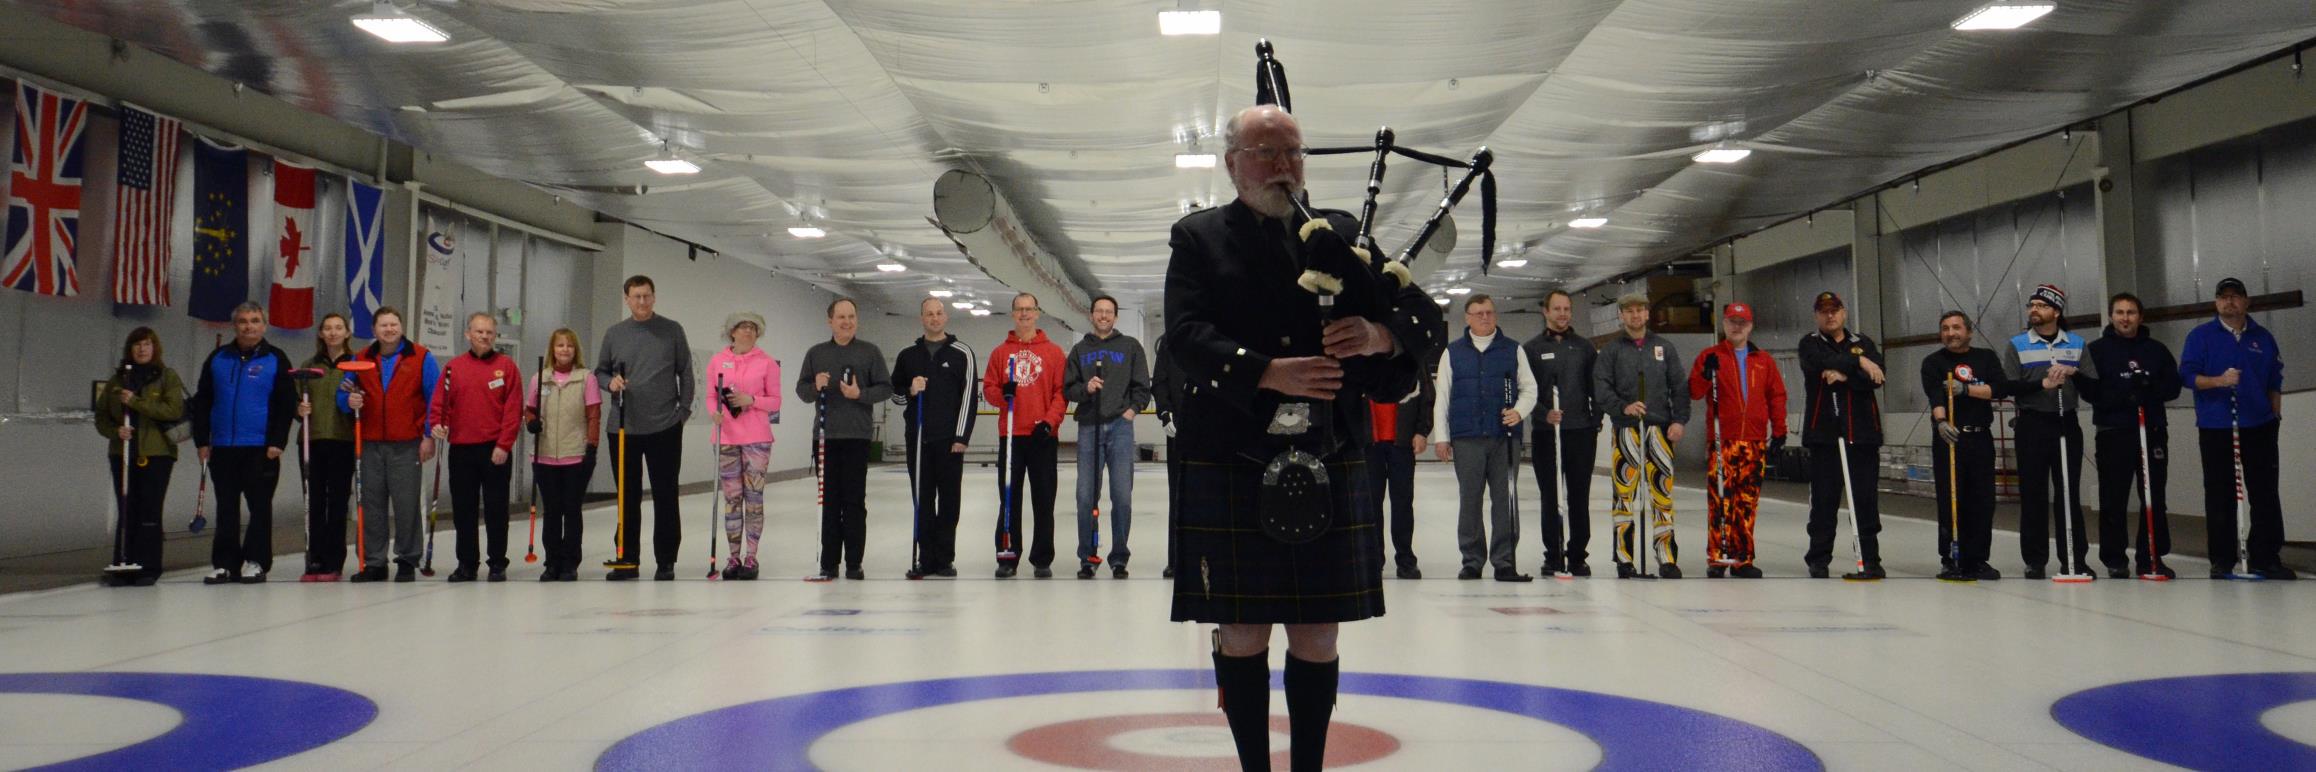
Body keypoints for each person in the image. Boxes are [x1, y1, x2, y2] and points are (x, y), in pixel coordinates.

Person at [1167, 104, 1430, 772]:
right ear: (1232, 164)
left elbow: (1424, 320)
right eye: (1265, 152)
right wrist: (1269, 373)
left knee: (1318, 628)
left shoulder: (1343, 235)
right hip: (1233, 452)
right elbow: (1185, 338)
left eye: (1292, 153)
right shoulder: (1198, 238)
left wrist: (1380, 334)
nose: (1282, 167)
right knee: (1243, 628)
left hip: (1330, 450)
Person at [1921, 311, 2054, 581]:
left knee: (1982, 501)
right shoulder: (1933, 362)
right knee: (1951, 499)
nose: (1951, 333)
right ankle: (1951, 558)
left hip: (1979, 438)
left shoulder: (1985, 358)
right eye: (1945, 328)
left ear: (1969, 331)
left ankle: (1978, 559)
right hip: (1949, 438)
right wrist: (1941, 423)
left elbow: (2000, 389)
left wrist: (1967, 390)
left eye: (1956, 327)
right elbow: (1935, 395)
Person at [2180, 277, 2294, 580]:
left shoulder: (2263, 337)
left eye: (2235, 296)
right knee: (2220, 493)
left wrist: (2275, 416)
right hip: (2217, 425)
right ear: (2216, 302)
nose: (2229, 301)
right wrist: (2218, 381)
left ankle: (2266, 556)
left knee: (2265, 493)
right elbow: (2188, 376)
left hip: (2259, 425)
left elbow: (2275, 379)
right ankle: (2222, 558)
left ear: (2246, 301)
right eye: (2223, 297)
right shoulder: (2201, 336)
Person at [1430, 294, 1538, 582]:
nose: (1484, 317)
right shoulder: (1452, 353)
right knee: (1470, 500)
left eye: (1489, 312)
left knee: (1505, 501)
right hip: (1467, 439)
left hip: (1505, 438)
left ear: (1496, 316)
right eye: (1478, 313)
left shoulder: (1513, 350)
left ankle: (1504, 561)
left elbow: (1529, 388)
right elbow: (1442, 397)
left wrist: (1518, 411)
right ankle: (1472, 561)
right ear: (1467, 318)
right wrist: (1442, 437)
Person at [189, 302, 297, 584]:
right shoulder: (218, 359)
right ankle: (225, 563)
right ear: (234, 326)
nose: (249, 326)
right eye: (243, 321)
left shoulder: (276, 359)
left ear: (264, 325)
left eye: (255, 320)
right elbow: (202, 402)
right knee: (226, 507)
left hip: (261, 448)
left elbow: (286, 404)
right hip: (223, 447)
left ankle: (256, 560)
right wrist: (202, 440)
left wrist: (278, 441)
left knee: (260, 507)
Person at [595, 275, 695, 581]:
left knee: (666, 494)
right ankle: (627, 558)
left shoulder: (672, 330)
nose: (642, 302)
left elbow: (686, 372)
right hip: (624, 427)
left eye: (647, 296)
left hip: (665, 426)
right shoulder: (615, 334)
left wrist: (683, 411)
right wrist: (609, 383)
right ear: (626, 298)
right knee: (627, 495)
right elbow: (599, 371)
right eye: (636, 296)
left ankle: (666, 560)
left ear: (654, 297)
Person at [2083, 293, 2182, 579]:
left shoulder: (2156, 350)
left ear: (2140, 316)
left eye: (2131, 312)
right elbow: (2089, 389)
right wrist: (2123, 396)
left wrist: (2148, 389)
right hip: (2114, 431)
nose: (2125, 318)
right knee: (2113, 496)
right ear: (2111, 316)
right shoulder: (2097, 350)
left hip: (2151, 430)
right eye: (2119, 312)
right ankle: (2115, 558)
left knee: (2154, 495)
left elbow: (2173, 386)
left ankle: (2151, 555)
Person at [340, 306, 440, 583]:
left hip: (407, 443)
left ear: (401, 327)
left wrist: (429, 435)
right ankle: (373, 562)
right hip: (370, 444)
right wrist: (348, 402)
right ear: (374, 330)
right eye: (383, 325)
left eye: (394, 324)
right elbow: (343, 392)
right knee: (370, 504)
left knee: (407, 504)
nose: (389, 330)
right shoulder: (360, 359)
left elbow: (435, 398)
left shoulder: (421, 357)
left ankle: (407, 559)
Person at [2001, 284, 2095, 579]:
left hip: (2065, 421)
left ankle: (2074, 558)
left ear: (2056, 311)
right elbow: (2008, 386)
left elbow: (2094, 387)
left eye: (2041, 305)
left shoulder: (2077, 344)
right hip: (2032, 424)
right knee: (2033, 494)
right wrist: (2041, 384)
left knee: (2068, 492)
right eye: (2031, 305)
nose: (2034, 310)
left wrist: (2074, 373)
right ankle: (2035, 559)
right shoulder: (2017, 344)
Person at [1687, 303, 1787, 578]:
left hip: (1754, 440)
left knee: (1746, 500)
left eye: (1742, 322)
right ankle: (1719, 556)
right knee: (1721, 499)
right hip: (1723, 440)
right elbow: (1695, 392)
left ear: (1751, 325)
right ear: (1724, 324)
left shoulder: (1763, 360)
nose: (1737, 326)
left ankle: (1743, 557)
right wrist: (1705, 375)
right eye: (1732, 321)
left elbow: (1776, 395)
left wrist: (1779, 430)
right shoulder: (1711, 355)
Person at [797, 297, 892, 581]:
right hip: (826, 437)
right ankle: (828, 562)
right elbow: (802, 391)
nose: (847, 322)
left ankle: (854, 562)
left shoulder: (869, 352)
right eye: (841, 317)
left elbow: (886, 388)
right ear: (830, 321)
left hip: (856, 437)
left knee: (853, 500)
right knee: (828, 500)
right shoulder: (816, 353)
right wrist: (815, 386)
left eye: (851, 316)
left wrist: (859, 395)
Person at [1595, 291, 1688, 579]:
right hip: (1627, 429)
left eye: (1640, 310)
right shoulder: (1611, 351)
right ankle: (1624, 558)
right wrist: (1622, 406)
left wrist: (1679, 420)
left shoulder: (1664, 348)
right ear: (1621, 316)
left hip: (1659, 430)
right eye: (1629, 311)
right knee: (1624, 495)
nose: (1635, 315)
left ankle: (1666, 557)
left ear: (1648, 314)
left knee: (1661, 495)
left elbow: (1679, 386)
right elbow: (1601, 388)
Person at [1797, 291, 1886, 580]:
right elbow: (1818, 364)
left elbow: (1878, 376)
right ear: (1816, 315)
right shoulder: (1810, 343)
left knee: (1865, 500)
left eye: (1834, 310)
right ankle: (1819, 558)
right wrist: (1860, 363)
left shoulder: (1863, 342)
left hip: (1862, 435)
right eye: (1824, 311)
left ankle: (1870, 558)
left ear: (1844, 312)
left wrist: (1847, 374)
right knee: (1824, 501)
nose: (1830, 315)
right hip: (1825, 435)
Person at [1064, 295, 1153, 579]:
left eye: (1108, 312)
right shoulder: (1079, 350)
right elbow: (1069, 389)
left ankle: (1119, 557)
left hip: (1120, 428)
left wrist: (1132, 410)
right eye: (1099, 311)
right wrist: (1085, 389)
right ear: (1091, 315)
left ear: (1115, 317)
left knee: (1122, 496)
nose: (1103, 316)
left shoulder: (1130, 347)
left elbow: (1143, 387)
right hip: (1089, 426)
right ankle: (1088, 556)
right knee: (1085, 496)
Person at [431, 312, 523, 583]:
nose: (484, 336)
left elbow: (513, 410)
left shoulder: (506, 367)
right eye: (479, 332)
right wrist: (438, 424)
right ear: (468, 334)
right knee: (464, 510)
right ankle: (466, 563)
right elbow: (440, 404)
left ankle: (497, 562)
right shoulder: (453, 368)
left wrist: (504, 444)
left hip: (495, 450)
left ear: (495, 336)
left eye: (489, 333)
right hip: (461, 450)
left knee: (496, 509)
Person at [891, 297, 978, 579]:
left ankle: (944, 559)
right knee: (923, 500)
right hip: (917, 439)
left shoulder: (962, 352)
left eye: (939, 313)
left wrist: (961, 436)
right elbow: (895, 395)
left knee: (950, 500)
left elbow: (969, 399)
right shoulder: (908, 355)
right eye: (929, 314)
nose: (935, 318)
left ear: (946, 318)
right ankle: (925, 557)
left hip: (949, 440)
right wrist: (911, 390)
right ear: (921, 318)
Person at [983, 292, 1066, 579]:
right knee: (1009, 499)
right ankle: (1008, 555)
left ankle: (1042, 558)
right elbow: (989, 389)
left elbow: (1060, 393)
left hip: (1042, 436)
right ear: (1012, 314)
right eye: (1019, 309)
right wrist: (1000, 395)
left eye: (1029, 309)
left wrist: (1050, 422)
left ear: (1038, 313)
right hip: (1012, 435)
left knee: (1044, 500)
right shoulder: (999, 353)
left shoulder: (1054, 353)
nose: (1024, 314)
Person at [96, 327, 185, 587]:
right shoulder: (118, 380)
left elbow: (172, 410)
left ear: (155, 348)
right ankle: (123, 562)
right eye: (137, 345)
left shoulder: (167, 377)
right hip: (122, 454)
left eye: (147, 344)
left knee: (149, 510)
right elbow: (101, 417)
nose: (142, 349)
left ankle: (148, 565)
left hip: (156, 454)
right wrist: (116, 431)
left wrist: (135, 402)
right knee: (127, 508)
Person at [1524, 289, 1599, 577]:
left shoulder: (1584, 348)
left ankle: (1578, 555)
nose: (1563, 313)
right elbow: (1526, 391)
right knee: (1550, 495)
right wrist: (1544, 413)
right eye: (1557, 309)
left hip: (1580, 433)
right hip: (1546, 433)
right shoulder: (1530, 349)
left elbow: (1596, 388)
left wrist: (1594, 421)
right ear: (1546, 311)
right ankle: (1553, 554)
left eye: (1567, 308)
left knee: (1579, 495)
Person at [707, 312, 781, 580]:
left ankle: (752, 556)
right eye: (743, 327)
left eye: (753, 328)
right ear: (732, 332)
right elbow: (710, 395)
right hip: (726, 436)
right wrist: (712, 413)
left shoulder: (767, 363)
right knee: (732, 498)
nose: (748, 332)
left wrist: (752, 400)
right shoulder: (718, 361)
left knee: (754, 497)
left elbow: (775, 401)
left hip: (757, 437)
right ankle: (733, 556)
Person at [525, 328, 599, 582]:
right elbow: (529, 411)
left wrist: (592, 446)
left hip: (575, 454)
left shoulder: (585, 378)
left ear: (575, 349)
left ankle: (570, 562)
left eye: (569, 345)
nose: (564, 349)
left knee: (572, 509)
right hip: (545, 455)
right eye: (560, 345)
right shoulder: (540, 378)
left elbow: (593, 415)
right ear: (552, 349)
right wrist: (531, 422)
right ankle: (552, 561)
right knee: (552, 511)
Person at [296, 313, 359, 581]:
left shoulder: (357, 365)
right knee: (314, 501)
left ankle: (334, 561)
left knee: (336, 503)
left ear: (347, 333)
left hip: (343, 441)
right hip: (312, 440)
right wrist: (299, 409)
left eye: (338, 328)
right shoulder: (308, 366)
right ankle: (314, 560)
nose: (333, 333)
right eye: (327, 329)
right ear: (320, 333)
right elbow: (295, 401)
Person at [1367, 359, 1433, 579]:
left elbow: (1426, 396)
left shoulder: (1412, 357)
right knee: (1370, 503)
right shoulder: (1359, 358)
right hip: (1369, 444)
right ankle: (1373, 559)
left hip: (1402, 442)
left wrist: (1422, 431)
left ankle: (1405, 559)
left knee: (1403, 503)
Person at [1152, 335, 1185, 580]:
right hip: (1179, 427)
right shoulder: (1170, 341)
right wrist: (1164, 412)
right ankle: (1176, 559)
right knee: (1178, 494)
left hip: (1212, 427)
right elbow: (1160, 382)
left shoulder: (1218, 335)